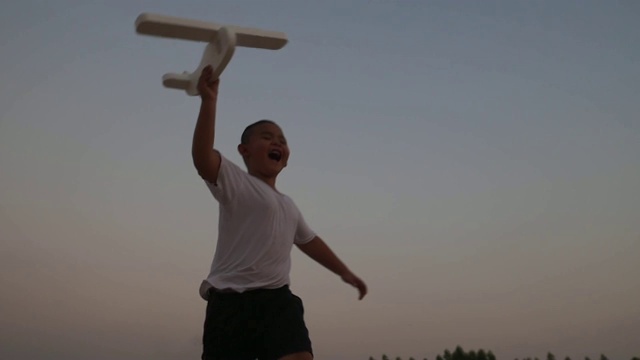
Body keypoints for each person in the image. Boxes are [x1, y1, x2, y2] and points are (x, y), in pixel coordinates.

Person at [192, 65, 368, 360]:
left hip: (276, 299)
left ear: (286, 157)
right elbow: (202, 158)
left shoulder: (288, 204)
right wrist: (209, 102)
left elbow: (310, 241)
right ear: (244, 150)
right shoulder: (236, 182)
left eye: (282, 140)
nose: (277, 142)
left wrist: (344, 271)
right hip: (230, 302)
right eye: (266, 136)